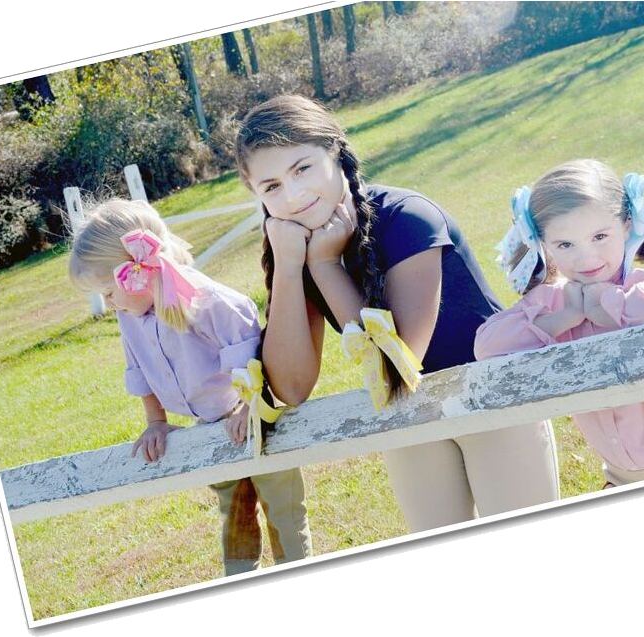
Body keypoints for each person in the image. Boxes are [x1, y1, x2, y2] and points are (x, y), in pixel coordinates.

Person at [233, 94, 559, 532]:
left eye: (302, 168)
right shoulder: (300, 245)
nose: (292, 196)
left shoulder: (408, 217)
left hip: (491, 396)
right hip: (407, 414)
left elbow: (399, 362)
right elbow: (291, 387)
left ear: (334, 151)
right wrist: (292, 266)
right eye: (271, 186)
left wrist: (327, 266)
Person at [68, 198, 312, 575]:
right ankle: (240, 572)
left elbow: (248, 348)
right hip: (208, 426)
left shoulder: (204, 300)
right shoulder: (130, 317)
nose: (108, 304)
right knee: (232, 503)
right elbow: (140, 370)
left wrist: (249, 405)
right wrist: (155, 421)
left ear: (136, 273)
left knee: (281, 498)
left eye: (109, 292)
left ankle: (296, 565)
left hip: (255, 417)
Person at [474, 159, 644, 488]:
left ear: (627, 226)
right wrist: (564, 318)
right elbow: (487, 346)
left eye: (599, 236)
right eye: (565, 245)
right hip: (620, 480)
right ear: (544, 246)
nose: (586, 259)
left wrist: (604, 305)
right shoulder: (552, 302)